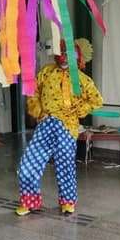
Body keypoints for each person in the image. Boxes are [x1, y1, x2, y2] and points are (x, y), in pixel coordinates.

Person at [16, 39, 103, 216]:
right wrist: (39, 112)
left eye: (69, 53)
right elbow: (33, 92)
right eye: (62, 52)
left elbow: (96, 100)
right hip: (46, 124)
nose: (64, 57)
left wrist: (78, 111)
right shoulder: (46, 73)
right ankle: (29, 200)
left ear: (77, 56)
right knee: (27, 165)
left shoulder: (82, 79)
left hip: (67, 127)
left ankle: (68, 202)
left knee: (65, 166)